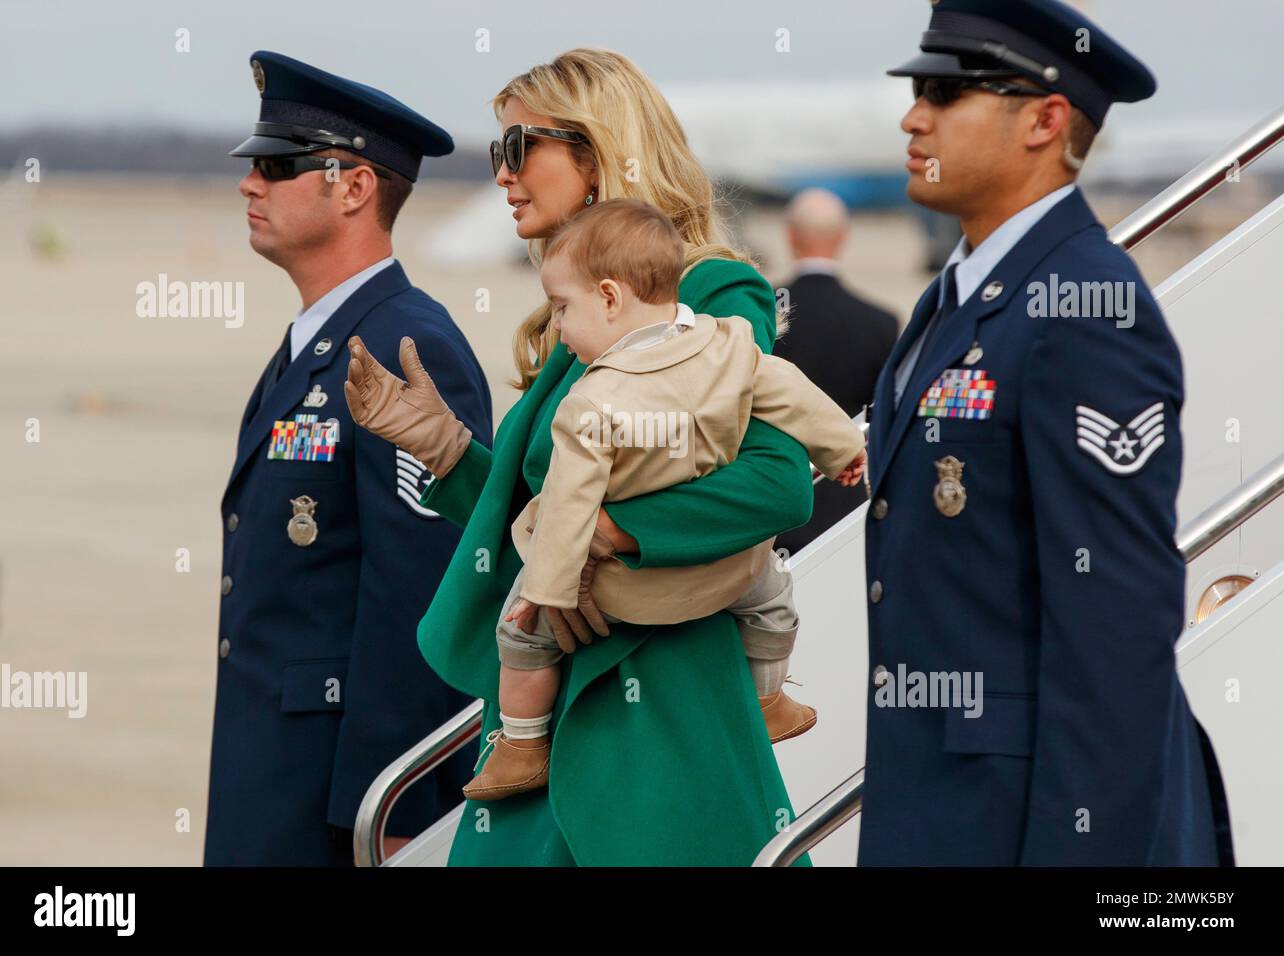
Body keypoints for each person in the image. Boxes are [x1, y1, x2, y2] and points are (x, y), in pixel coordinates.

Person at [345, 48, 816, 866]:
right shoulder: (587, 316)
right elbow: (543, 510)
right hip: (559, 704)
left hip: (651, 709)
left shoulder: (707, 289)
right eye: (497, 151)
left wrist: (614, 537)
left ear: (601, 153)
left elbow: (778, 485)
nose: (502, 174)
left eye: (520, 148)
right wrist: (447, 451)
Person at [861, 0, 1234, 866]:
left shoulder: (1085, 309)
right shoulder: (959, 298)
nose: (914, 116)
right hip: (946, 811)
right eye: (917, 90)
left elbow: (1116, 625)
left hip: (1032, 824)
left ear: (1045, 119)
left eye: (947, 94)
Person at [384, 199, 862, 799]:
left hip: (622, 592)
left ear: (609, 299)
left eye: (562, 309)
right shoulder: (727, 344)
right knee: (773, 601)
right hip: (732, 571)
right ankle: (769, 699)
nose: (556, 327)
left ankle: (522, 744)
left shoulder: (591, 399)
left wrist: (547, 592)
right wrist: (843, 450)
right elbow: (789, 391)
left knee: (521, 637)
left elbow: (569, 505)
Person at [205, 51, 493, 866]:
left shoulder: (407, 342)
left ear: (355, 186)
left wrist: (394, 803)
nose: (249, 185)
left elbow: (423, 591)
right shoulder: (317, 341)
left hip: (342, 805)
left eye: (277, 165)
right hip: (274, 775)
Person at [773, 188, 897, 555]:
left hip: (776, 501)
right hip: (847, 504)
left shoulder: (762, 316)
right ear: (843, 238)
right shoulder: (880, 323)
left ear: (790, 236)